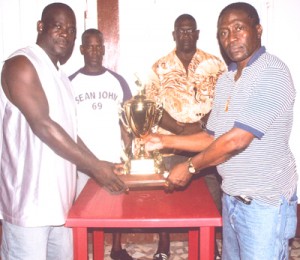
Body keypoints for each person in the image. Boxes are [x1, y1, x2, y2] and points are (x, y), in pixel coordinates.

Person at [145, 2, 297, 260]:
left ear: (258, 29)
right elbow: (211, 137)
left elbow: (237, 140)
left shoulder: (272, 72)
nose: (231, 37)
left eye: (239, 28)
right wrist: (163, 140)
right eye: (224, 32)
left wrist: (190, 167)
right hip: (233, 199)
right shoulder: (227, 79)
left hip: (264, 204)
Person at [0, 3, 127, 260]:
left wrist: (100, 163)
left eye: (71, 30)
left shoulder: (60, 76)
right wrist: (94, 167)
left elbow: (70, 132)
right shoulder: (21, 64)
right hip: (28, 207)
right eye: (58, 26)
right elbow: (43, 126)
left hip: (60, 204)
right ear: (41, 27)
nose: (65, 35)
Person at [145, 13, 226, 259]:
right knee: (167, 195)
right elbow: (152, 106)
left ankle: (210, 244)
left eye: (190, 30)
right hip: (170, 144)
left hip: (208, 143)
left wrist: (201, 125)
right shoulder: (160, 67)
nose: (186, 35)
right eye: (181, 31)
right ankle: (163, 245)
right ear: (174, 34)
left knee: (212, 196)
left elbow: (224, 102)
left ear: (198, 34)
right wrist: (180, 130)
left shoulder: (215, 64)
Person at [69, 28, 133, 260]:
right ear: (82, 49)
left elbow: (126, 121)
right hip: (82, 160)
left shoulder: (117, 81)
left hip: (112, 155)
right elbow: (67, 125)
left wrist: (129, 151)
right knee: (79, 208)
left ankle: (116, 247)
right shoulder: (70, 83)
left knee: (116, 205)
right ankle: (80, 250)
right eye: (90, 46)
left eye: (99, 46)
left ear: (104, 50)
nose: (94, 51)